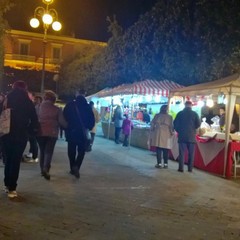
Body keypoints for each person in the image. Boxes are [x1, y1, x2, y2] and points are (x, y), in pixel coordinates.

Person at [2, 81, 39, 198]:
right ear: (25, 89)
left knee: (7, 158)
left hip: (6, 133)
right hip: (21, 134)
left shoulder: (6, 99)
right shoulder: (28, 102)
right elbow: (34, 119)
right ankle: (12, 188)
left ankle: (7, 183)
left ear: (13, 87)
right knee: (15, 160)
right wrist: (31, 131)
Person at [36, 91, 67, 180]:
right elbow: (62, 122)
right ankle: (46, 169)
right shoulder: (57, 109)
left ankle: (42, 170)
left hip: (40, 132)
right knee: (48, 152)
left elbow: (34, 119)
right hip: (52, 133)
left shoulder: (38, 107)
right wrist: (68, 126)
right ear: (53, 100)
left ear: (45, 98)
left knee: (42, 151)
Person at [63, 94, 95, 179]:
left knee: (71, 151)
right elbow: (92, 120)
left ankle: (72, 168)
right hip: (82, 133)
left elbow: (64, 117)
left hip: (71, 131)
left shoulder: (70, 105)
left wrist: (65, 128)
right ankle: (77, 166)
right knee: (81, 151)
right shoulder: (87, 107)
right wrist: (88, 127)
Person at [174, 101, 201, 173]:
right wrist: (193, 129)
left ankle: (181, 168)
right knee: (191, 154)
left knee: (182, 153)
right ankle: (190, 168)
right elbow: (198, 124)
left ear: (185, 105)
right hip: (191, 136)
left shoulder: (180, 113)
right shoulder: (195, 114)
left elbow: (175, 124)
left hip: (182, 136)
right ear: (191, 105)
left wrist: (179, 131)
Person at [24, 95, 43, 163]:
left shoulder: (39, 107)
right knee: (32, 141)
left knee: (33, 140)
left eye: (37, 100)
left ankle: (34, 156)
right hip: (32, 125)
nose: (35, 101)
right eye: (35, 99)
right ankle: (32, 154)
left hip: (35, 126)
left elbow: (37, 117)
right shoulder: (33, 106)